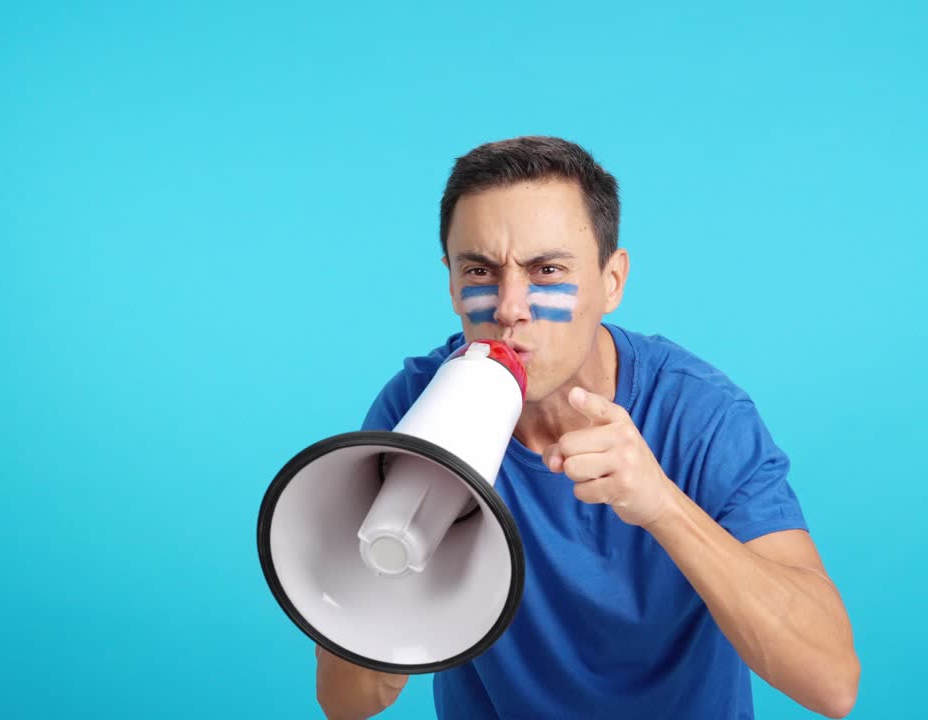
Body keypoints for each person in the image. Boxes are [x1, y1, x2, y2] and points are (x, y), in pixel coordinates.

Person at [315, 136, 859, 720]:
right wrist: (405, 542)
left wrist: (663, 507)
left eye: (547, 270)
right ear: (451, 282)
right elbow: (346, 704)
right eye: (481, 270)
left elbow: (830, 684)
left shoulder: (701, 416)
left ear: (612, 280)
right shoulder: (412, 409)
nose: (509, 308)